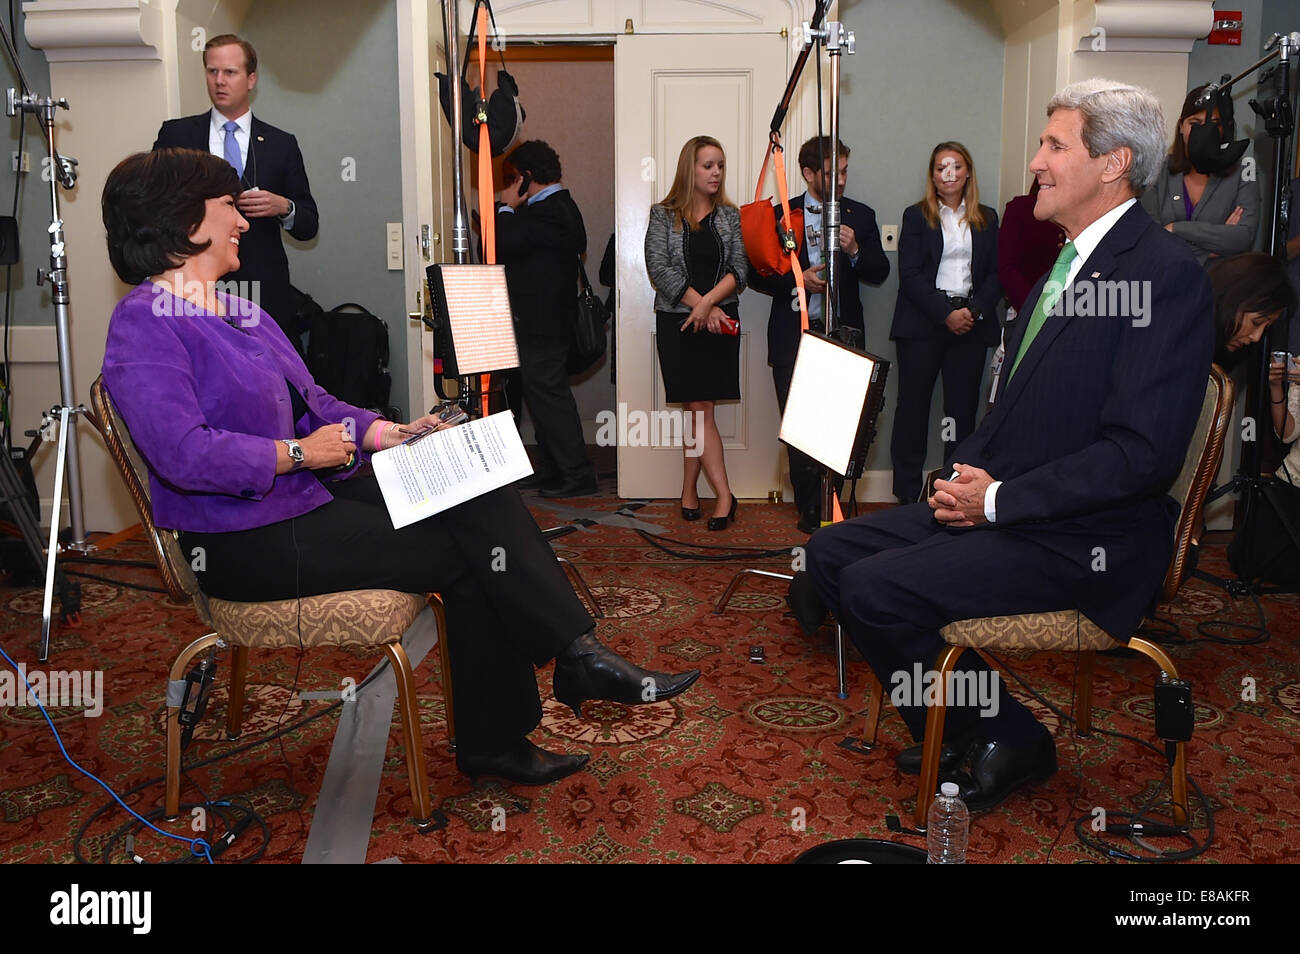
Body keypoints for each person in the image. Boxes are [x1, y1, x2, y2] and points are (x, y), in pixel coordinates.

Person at [100, 148, 700, 788]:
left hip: (303, 500)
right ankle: (529, 704)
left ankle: (569, 660)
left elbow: (319, 403)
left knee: (473, 482)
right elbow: (183, 452)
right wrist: (297, 454)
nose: (243, 221)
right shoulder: (142, 324)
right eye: (228, 206)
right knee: (467, 552)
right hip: (240, 540)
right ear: (183, 218)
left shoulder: (241, 310)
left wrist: (393, 433)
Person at [793, 79, 1214, 812]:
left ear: (1113, 164)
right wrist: (963, 481)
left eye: (1055, 145)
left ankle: (1009, 737)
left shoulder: (1164, 275)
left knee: (874, 588)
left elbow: (1140, 454)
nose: (1036, 161)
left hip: (1089, 536)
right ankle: (962, 726)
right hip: (1018, 504)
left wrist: (997, 500)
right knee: (831, 554)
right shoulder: (1067, 259)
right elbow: (1018, 402)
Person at [748, 137, 890, 534]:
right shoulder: (780, 216)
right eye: (833, 173)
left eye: (845, 171)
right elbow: (755, 275)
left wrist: (857, 248)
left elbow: (879, 273)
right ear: (809, 173)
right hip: (793, 338)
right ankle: (809, 508)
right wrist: (798, 281)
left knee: (842, 426)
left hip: (844, 336)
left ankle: (833, 505)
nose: (842, 180)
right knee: (800, 429)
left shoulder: (860, 215)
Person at [153, 34, 318, 344]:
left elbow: (309, 224)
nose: (219, 81)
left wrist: (284, 207)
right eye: (212, 71)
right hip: (192, 287)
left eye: (230, 72)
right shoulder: (176, 135)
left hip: (262, 291)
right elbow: (152, 203)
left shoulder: (282, 144)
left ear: (251, 78)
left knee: (267, 382)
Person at [644, 135, 748, 530]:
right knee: (697, 409)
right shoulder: (661, 214)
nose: (717, 172)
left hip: (720, 323)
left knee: (699, 411)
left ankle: (704, 492)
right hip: (678, 323)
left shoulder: (730, 216)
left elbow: (741, 268)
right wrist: (699, 304)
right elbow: (659, 268)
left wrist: (709, 306)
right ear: (691, 168)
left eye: (720, 165)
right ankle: (716, 493)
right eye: (708, 165)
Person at [889, 142, 1001, 504]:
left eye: (955, 167)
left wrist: (973, 310)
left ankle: (953, 494)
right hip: (922, 325)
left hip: (970, 324)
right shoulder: (915, 216)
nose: (948, 174)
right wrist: (944, 313)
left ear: (967, 172)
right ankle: (906, 496)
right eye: (940, 168)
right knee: (913, 410)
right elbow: (910, 274)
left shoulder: (988, 217)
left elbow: (996, 273)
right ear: (932, 175)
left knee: (960, 413)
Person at [494, 141, 598, 498]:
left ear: (526, 177)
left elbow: (504, 244)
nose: (508, 186)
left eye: (512, 179)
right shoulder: (549, 208)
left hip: (544, 323)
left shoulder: (552, 209)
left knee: (549, 397)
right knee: (542, 397)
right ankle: (556, 469)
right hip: (540, 322)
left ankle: (576, 474)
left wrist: (506, 208)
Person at [1140, 85, 1259, 265]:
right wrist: (1215, 246)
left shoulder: (1244, 170)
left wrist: (1174, 228)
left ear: (1225, 128)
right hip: (1164, 279)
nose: (1204, 133)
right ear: (1181, 126)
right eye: (1195, 124)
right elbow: (1151, 240)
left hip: (1219, 284)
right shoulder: (1157, 168)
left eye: (1214, 124)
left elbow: (1243, 237)